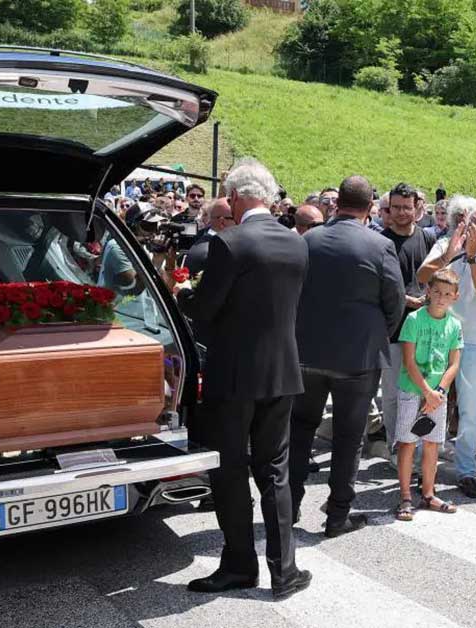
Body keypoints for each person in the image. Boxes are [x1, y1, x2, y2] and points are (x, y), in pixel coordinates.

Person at [173, 158, 311, 598]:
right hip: (283, 372)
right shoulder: (296, 243)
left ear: (233, 196)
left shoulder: (230, 242)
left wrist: (185, 295)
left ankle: (239, 564)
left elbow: (206, 312)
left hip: (233, 375)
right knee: (275, 470)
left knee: (230, 470)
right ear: (267, 197)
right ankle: (285, 570)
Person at [289, 174, 406, 538]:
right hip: (357, 356)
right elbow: (395, 301)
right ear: (371, 207)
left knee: (299, 431)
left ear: (335, 204)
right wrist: (377, 333)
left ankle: (287, 508)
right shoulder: (378, 244)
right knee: (348, 437)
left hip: (308, 351)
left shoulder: (309, 239)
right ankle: (337, 516)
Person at [416, 199, 476, 498]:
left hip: (475, 339)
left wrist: (471, 257)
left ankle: (466, 469)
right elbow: (422, 276)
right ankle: (422, 466)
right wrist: (453, 253)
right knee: (431, 401)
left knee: (471, 406)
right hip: (439, 334)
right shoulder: (447, 244)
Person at [373, 183, 437, 461]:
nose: (401, 213)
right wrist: (405, 300)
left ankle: (421, 448)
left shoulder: (428, 240)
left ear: (417, 209)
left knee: (424, 394)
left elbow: (438, 276)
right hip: (393, 331)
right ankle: (397, 449)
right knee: (393, 395)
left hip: (426, 330)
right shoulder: (380, 242)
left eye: (406, 207)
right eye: (395, 207)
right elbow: (374, 285)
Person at [394, 268, 463, 520]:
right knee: (407, 442)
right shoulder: (414, 320)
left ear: (455, 296)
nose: (441, 297)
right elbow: (409, 361)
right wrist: (426, 391)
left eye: (447, 293)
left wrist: (439, 391)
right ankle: (404, 497)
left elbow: (454, 363)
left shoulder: (454, 324)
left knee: (432, 444)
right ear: (428, 292)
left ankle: (429, 493)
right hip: (413, 390)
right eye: (437, 292)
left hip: (438, 395)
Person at [185, 197, 233, 277]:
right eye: (235, 218)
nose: (242, 222)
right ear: (222, 222)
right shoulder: (212, 251)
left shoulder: (211, 243)